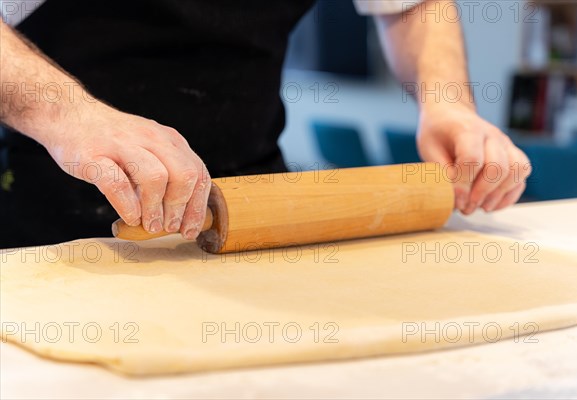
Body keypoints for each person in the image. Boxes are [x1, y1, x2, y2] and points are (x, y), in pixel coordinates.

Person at [0, 0, 531, 249]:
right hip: (39, 197)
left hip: (250, 199)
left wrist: (448, 104)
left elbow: (412, 4)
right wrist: (71, 115)